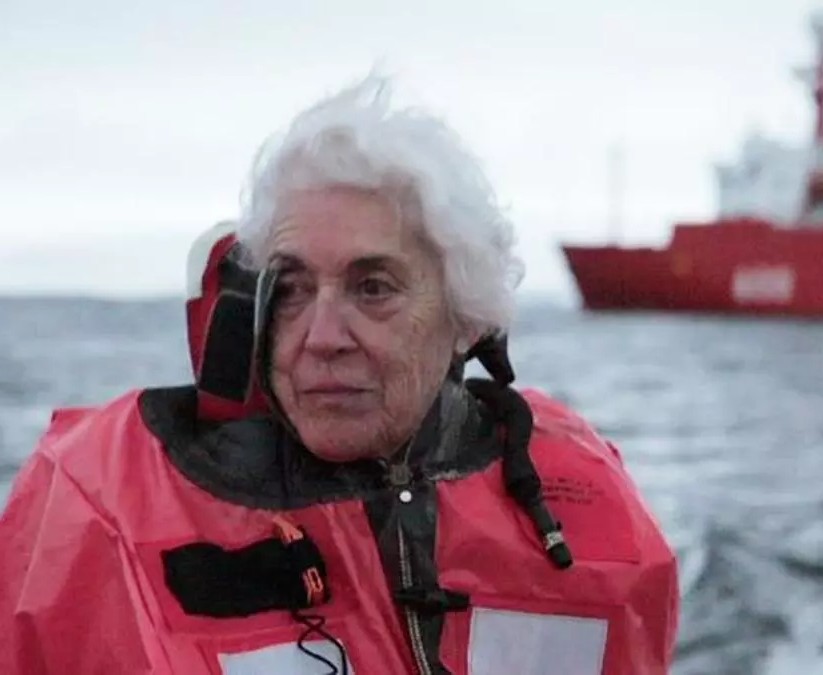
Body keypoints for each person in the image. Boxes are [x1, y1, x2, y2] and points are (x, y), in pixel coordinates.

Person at [0, 76, 679, 674]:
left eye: (373, 287)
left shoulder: (590, 508)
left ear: (466, 316)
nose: (320, 338)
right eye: (290, 289)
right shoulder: (97, 504)